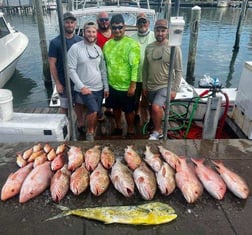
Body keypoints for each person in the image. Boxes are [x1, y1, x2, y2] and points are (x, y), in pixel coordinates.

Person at [68, 21, 109, 142]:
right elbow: (70, 69)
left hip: (99, 87)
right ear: (83, 32)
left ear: (96, 33)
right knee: (93, 110)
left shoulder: (98, 49)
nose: (91, 34)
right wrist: (81, 87)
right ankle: (90, 132)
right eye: (88, 31)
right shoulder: (75, 48)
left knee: (95, 109)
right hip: (84, 88)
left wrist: (106, 87)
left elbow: (102, 69)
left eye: (93, 32)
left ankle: (82, 124)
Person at [142, 19, 183, 140]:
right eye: (158, 30)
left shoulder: (174, 48)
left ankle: (158, 131)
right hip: (150, 85)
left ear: (167, 31)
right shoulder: (149, 47)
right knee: (151, 107)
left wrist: (174, 89)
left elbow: (179, 70)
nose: (160, 33)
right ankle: (154, 123)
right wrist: (144, 85)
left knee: (155, 107)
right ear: (154, 31)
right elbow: (145, 68)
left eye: (163, 31)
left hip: (165, 85)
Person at [103, 14, 140, 137]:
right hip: (112, 85)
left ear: (124, 27)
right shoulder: (107, 45)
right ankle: (118, 126)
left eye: (120, 27)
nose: (117, 30)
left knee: (129, 111)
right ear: (111, 28)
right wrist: (106, 85)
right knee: (116, 108)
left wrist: (133, 85)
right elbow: (104, 65)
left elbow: (135, 66)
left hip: (126, 86)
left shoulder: (132, 44)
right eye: (114, 28)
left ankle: (130, 129)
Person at [48, 12, 85, 132]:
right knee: (64, 106)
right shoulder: (55, 42)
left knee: (78, 104)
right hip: (64, 81)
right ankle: (61, 128)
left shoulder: (80, 40)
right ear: (63, 23)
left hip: (78, 81)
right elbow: (52, 63)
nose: (70, 24)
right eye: (67, 22)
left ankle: (80, 124)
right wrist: (57, 83)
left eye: (72, 22)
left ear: (75, 24)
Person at [131, 13, 155, 123]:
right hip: (135, 75)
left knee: (149, 100)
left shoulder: (155, 36)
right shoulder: (131, 38)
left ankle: (150, 118)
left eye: (144, 22)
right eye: (139, 22)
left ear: (148, 23)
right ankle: (137, 113)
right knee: (135, 100)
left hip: (150, 76)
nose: (142, 24)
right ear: (136, 25)